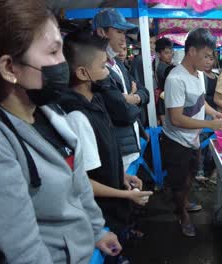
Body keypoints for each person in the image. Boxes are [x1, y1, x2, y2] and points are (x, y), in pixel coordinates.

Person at [0, 1, 121, 263]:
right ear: (9, 68)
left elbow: (78, 181)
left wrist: (96, 230)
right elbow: (21, 248)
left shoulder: (47, 110)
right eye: (53, 52)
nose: (63, 63)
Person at [60, 31, 153, 263]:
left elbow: (104, 154)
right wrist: (126, 195)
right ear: (83, 73)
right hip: (99, 213)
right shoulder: (77, 116)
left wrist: (121, 175)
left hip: (111, 205)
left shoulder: (96, 99)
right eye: (103, 66)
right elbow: (83, 182)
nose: (107, 71)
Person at [162, 28, 222, 237]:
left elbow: (201, 102)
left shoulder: (198, 74)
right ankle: (182, 213)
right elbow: (176, 118)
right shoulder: (176, 79)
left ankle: (184, 201)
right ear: (191, 51)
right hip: (176, 142)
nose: (210, 61)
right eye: (206, 56)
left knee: (190, 176)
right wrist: (209, 126)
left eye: (212, 56)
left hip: (192, 139)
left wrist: (214, 114)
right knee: (180, 182)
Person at [93, 8, 150, 171]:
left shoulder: (117, 64)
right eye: (118, 31)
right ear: (101, 32)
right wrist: (131, 102)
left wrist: (132, 98)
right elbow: (124, 112)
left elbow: (145, 92)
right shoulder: (98, 69)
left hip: (131, 144)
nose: (123, 38)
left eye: (124, 32)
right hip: (117, 149)